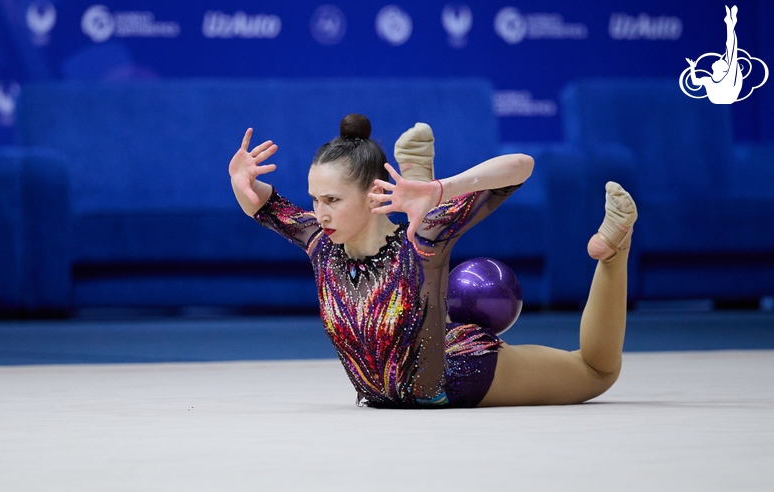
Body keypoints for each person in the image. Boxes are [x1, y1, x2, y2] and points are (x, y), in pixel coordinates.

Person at [229, 114, 637, 408]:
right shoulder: (318, 242)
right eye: (315, 199)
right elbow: (260, 204)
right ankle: (418, 175)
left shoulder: (423, 238)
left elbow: (520, 168)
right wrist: (239, 181)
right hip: (403, 385)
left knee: (596, 372)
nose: (319, 213)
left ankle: (614, 252)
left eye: (332, 200)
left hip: (456, 377)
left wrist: (441, 190)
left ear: (374, 193)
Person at [686, 5, 742, 104]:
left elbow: (732, 49)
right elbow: (695, 82)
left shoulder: (728, 78)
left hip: (728, 95)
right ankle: (730, 23)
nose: (719, 59)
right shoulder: (708, 80)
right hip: (722, 97)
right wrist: (692, 67)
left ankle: (730, 23)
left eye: (721, 61)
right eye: (721, 60)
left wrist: (730, 26)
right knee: (730, 51)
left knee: (731, 51)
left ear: (723, 69)